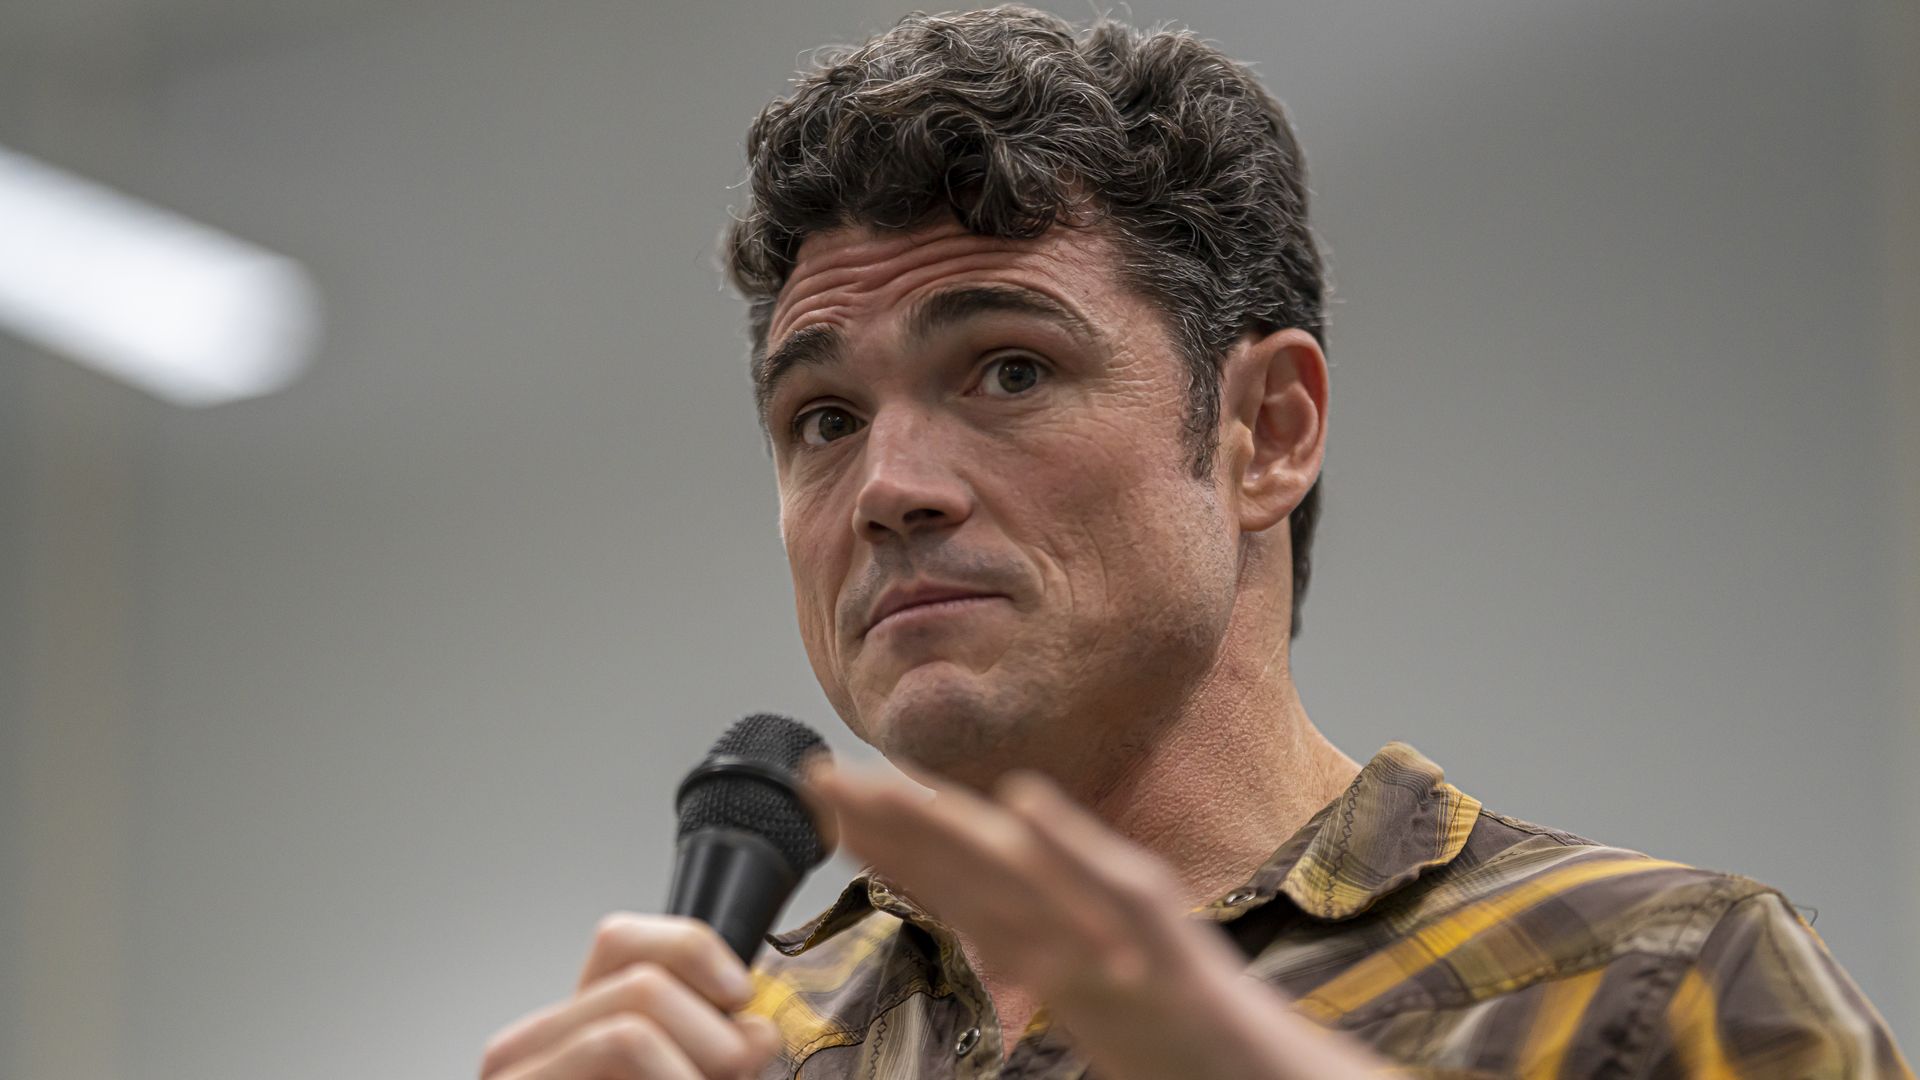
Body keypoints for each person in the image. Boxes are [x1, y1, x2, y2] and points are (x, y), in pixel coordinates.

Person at [478, 7, 1911, 1078]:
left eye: (1010, 371)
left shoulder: (1649, 981)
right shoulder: (737, 1049)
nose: (888, 489)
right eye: (823, 417)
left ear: (1267, 430)